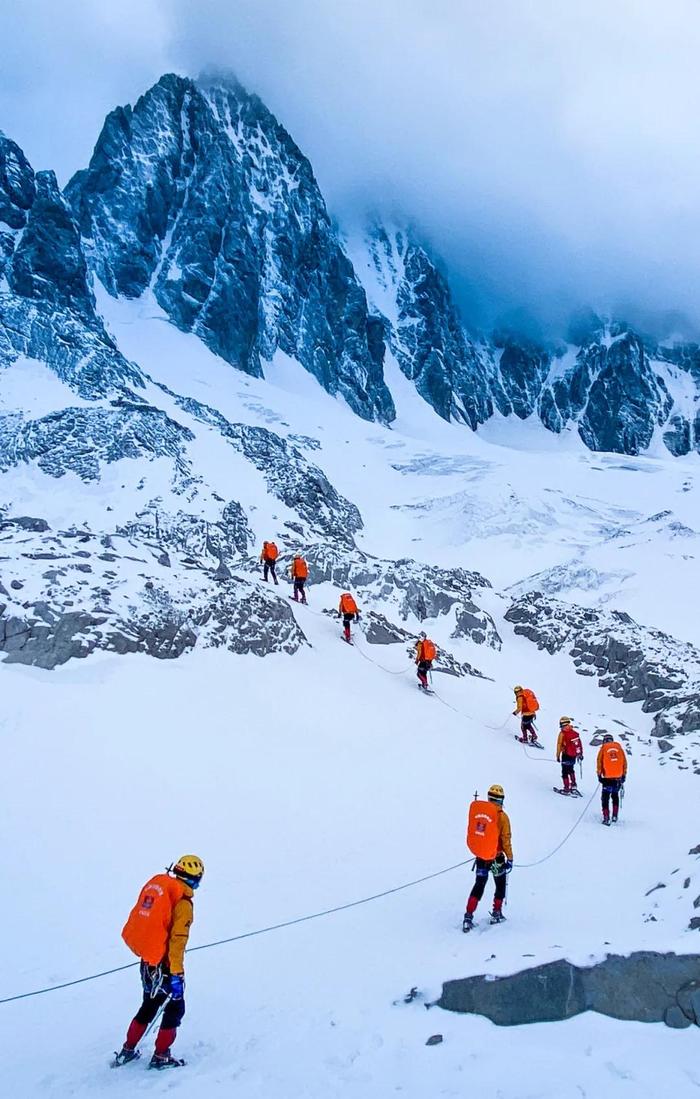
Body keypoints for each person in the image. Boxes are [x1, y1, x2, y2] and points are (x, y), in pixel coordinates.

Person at [114, 855, 205, 1070]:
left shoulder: (163, 891)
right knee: (175, 1008)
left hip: (149, 961)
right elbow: (177, 941)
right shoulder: (182, 903)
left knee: (149, 1005)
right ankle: (161, 1056)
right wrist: (176, 974)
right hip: (165, 966)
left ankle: (127, 1050)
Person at [463, 785, 513, 931]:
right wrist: (510, 858)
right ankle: (497, 912)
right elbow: (506, 839)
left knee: (479, 885)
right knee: (500, 885)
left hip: (481, 856)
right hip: (496, 858)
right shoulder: (502, 817)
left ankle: (468, 915)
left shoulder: (481, 814)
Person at [596, 733, 627, 825]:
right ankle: (614, 816)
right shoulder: (619, 748)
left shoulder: (603, 748)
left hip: (607, 777)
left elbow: (599, 762)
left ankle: (606, 817)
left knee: (605, 798)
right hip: (618, 777)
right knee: (615, 796)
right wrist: (624, 775)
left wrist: (599, 775)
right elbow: (625, 762)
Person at [556, 716, 583, 795]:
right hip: (573, 755)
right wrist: (580, 754)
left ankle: (566, 788)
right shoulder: (574, 733)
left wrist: (558, 755)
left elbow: (559, 745)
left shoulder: (562, 733)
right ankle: (574, 785)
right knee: (571, 769)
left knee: (564, 772)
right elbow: (579, 744)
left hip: (566, 755)